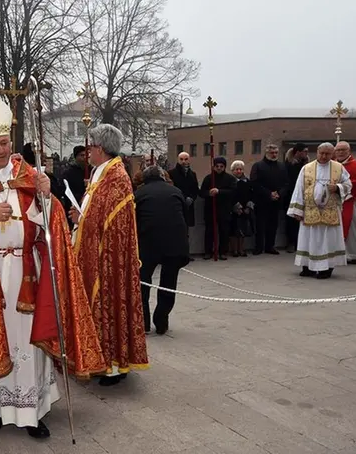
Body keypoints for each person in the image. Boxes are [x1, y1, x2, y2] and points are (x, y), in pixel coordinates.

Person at [0, 94, 105, 438]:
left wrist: (46, 195)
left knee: (26, 343)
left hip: (27, 271)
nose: (0, 150)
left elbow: (52, 223)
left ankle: (32, 412)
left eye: (5, 142)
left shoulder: (28, 172)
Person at [70, 123, 148, 386]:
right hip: (94, 251)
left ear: (100, 148)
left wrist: (84, 218)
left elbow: (113, 224)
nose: (88, 151)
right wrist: (79, 215)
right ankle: (96, 359)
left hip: (108, 258)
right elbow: (95, 211)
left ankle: (113, 365)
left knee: (109, 306)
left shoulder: (116, 177)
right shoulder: (99, 173)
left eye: (91, 146)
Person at [133, 165, 190, 335]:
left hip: (148, 244)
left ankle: (143, 323)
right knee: (168, 283)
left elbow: (133, 222)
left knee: (143, 283)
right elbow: (185, 216)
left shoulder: (138, 194)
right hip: (175, 243)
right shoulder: (176, 191)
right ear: (163, 177)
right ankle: (162, 321)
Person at [287, 142, 352, 280]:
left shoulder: (338, 168)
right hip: (310, 211)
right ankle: (307, 267)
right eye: (321, 153)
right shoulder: (307, 168)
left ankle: (326, 268)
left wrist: (338, 187)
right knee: (308, 239)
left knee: (328, 241)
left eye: (327, 154)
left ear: (332, 154)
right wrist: (297, 210)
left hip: (330, 211)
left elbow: (348, 185)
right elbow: (299, 189)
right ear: (317, 152)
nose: (324, 156)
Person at [249, 144, 287, 255]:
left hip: (276, 201)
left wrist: (279, 194)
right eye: (272, 153)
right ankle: (258, 247)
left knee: (273, 225)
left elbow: (286, 183)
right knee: (260, 225)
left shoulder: (282, 166)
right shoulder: (258, 166)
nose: (274, 155)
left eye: (276, 152)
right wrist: (268, 193)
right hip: (261, 200)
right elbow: (254, 183)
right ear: (266, 153)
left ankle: (270, 246)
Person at [199, 157, 237, 260]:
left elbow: (233, 192)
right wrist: (209, 193)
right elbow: (202, 192)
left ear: (224, 167)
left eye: (221, 166)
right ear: (213, 167)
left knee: (224, 231)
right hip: (210, 209)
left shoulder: (230, 179)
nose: (219, 168)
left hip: (224, 209)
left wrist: (219, 191)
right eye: (217, 166)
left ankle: (223, 252)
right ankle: (208, 251)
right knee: (209, 231)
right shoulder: (208, 178)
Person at [283, 144, 309, 252]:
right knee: (291, 221)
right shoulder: (288, 165)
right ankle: (290, 242)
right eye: (304, 151)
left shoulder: (307, 166)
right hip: (291, 195)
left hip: (305, 195)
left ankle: (301, 243)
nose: (306, 154)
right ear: (297, 152)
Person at [230, 160, 255, 257]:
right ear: (233, 171)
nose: (239, 171)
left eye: (240, 169)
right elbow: (231, 195)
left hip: (245, 208)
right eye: (236, 169)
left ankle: (241, 249)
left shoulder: (247, 181)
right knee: (233, 231)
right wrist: (236, 207)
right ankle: (234, 250)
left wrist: (248, 206)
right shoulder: (231, 181)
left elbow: (251, 195)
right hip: (234, 208)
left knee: (243, 231)